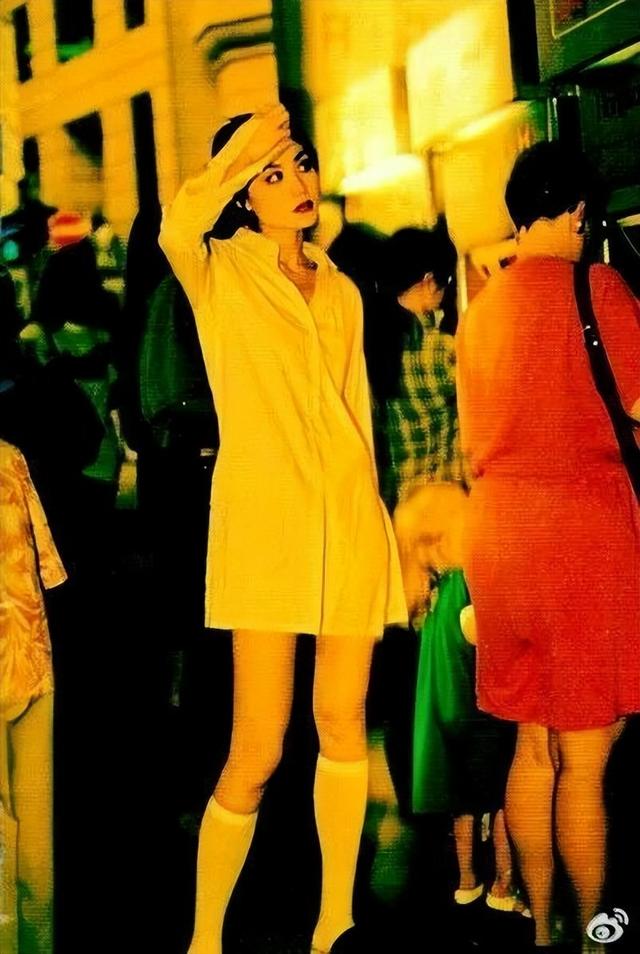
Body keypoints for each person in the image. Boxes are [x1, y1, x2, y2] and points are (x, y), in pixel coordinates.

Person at [159, 105, 407, 954]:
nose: (296, 182)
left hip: (347, 518)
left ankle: (335, 921)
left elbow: (357, 419)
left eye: (299, 163)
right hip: (266, 528)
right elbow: (179, 220)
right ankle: (204, 938)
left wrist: (380, 526)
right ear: (242, 193)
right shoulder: (217, 268)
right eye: (272, 174)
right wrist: (242, 147)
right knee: (258, 747)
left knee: (343, 719)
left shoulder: (341, 289)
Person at [456, 141, 640, 951]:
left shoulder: (481, 310)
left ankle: (541, 930)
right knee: (586, 760)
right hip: (581, 539)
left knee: (533, 746)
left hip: (499, 538)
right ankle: (599, 938)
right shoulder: (596, 287)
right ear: (579, 213)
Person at [0, 439, 67, 954]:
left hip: (22, 664)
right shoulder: (9, 458)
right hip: (28, 661)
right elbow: (50, 570)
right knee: (34, 833)